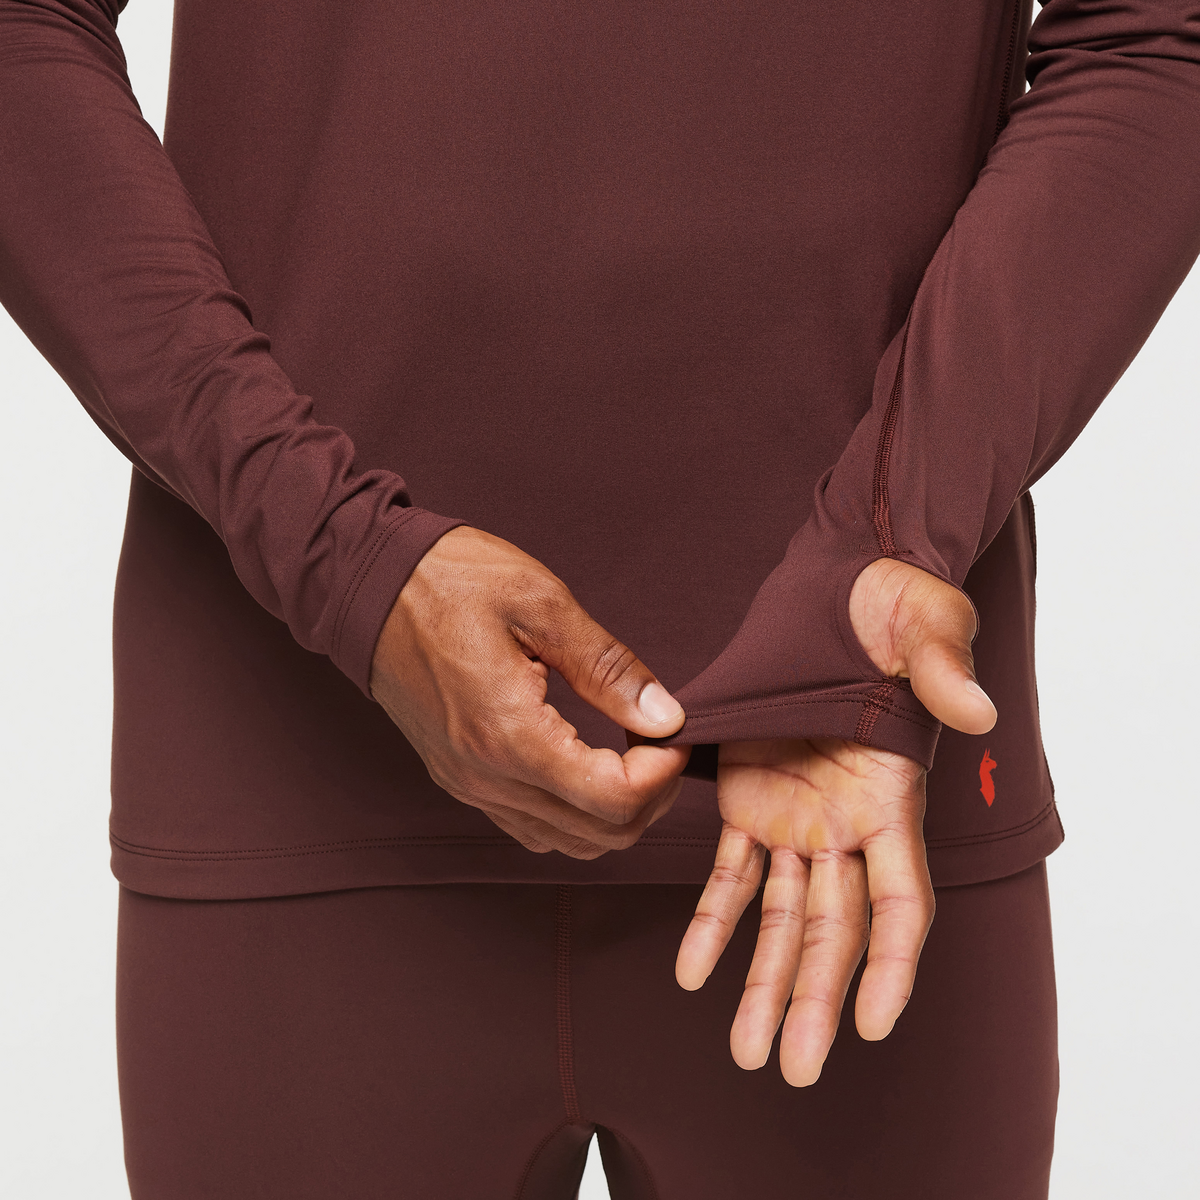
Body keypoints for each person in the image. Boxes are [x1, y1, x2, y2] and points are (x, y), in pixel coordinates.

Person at [1, 0, 1196, 1196]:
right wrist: (337, 549)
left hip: (855, 783)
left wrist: (891, 528)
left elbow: (1153, 36)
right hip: (295, 756)